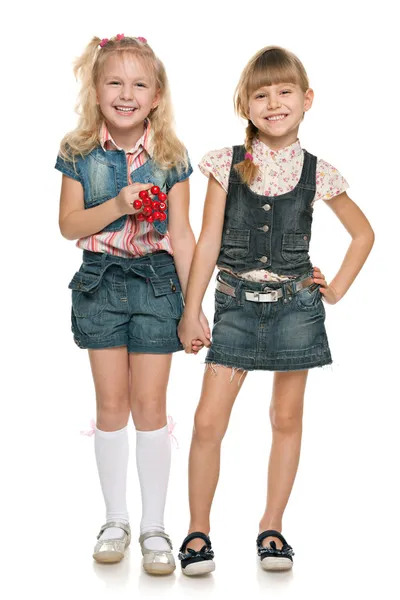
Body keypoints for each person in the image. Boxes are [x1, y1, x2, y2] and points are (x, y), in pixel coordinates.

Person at [177, 45, 374, 575]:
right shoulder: (226, 164)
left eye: (285, 91)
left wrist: (334, 291)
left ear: (306, 100)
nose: (274, 102)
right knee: (207, 421)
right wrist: (191, 309)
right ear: (245, 105)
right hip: (235, 306)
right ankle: (198, 531)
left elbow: (363, 234)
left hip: (295, 309)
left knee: (286, 418)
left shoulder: (319, 172)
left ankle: (272, 527)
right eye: (261, 94)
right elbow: (208, 241)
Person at [55, 33, 209, 574]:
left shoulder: (171, 157)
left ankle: (154, 527)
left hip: (157, 284)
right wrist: (118, 204)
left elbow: (184, 237)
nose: (126, 93)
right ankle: (115, 519)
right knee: (111, 405)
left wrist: (194, 308)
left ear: (157, 96)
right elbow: (68, 225)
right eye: (114, 82)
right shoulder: (78, 151)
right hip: (99, 282)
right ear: (96, 92)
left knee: (151, 407)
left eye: (139, 84)